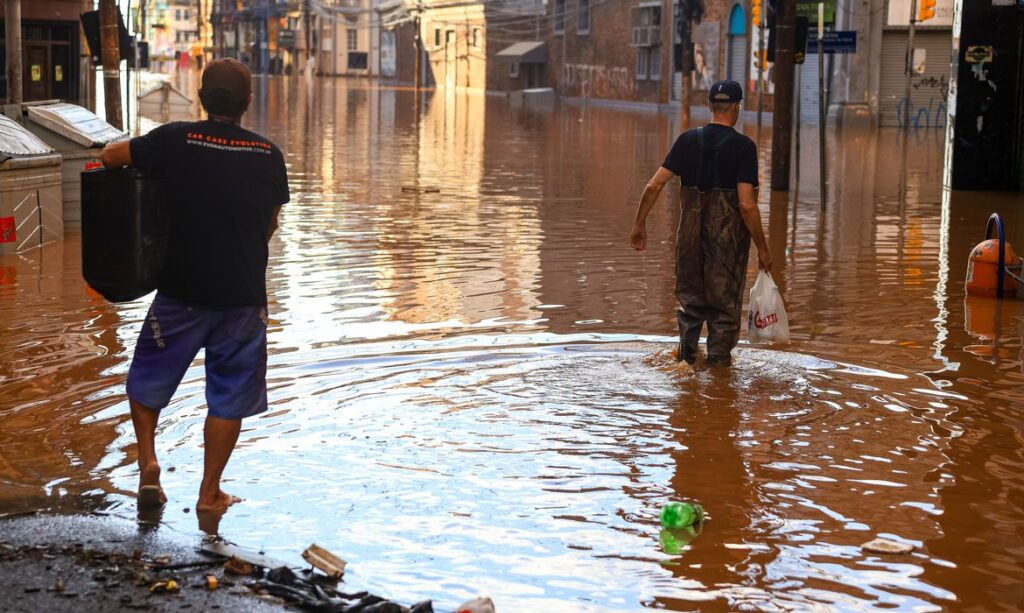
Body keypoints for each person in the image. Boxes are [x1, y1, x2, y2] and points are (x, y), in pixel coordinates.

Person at [101, 58, 290, 514]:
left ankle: (148, 464)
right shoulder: (269, 156)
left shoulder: (175, 139)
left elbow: (110, 157)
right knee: (229, 395)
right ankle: (210, 493)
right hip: (242, 297)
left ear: (201, 98)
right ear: (248, 102)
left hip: (180, 292)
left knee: (147, 378)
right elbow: (270, 223)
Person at [629, 80, 771, 366]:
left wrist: (639, 224)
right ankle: (719, 380)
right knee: (723, 312)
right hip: (726, 247)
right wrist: (763, 248)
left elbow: (654, 185)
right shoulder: (743, 147)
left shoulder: (686, 140)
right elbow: (745, 204)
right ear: (737, 108)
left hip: (689, 241)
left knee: (691, 307)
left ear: (709, 106)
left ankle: (686, 363)